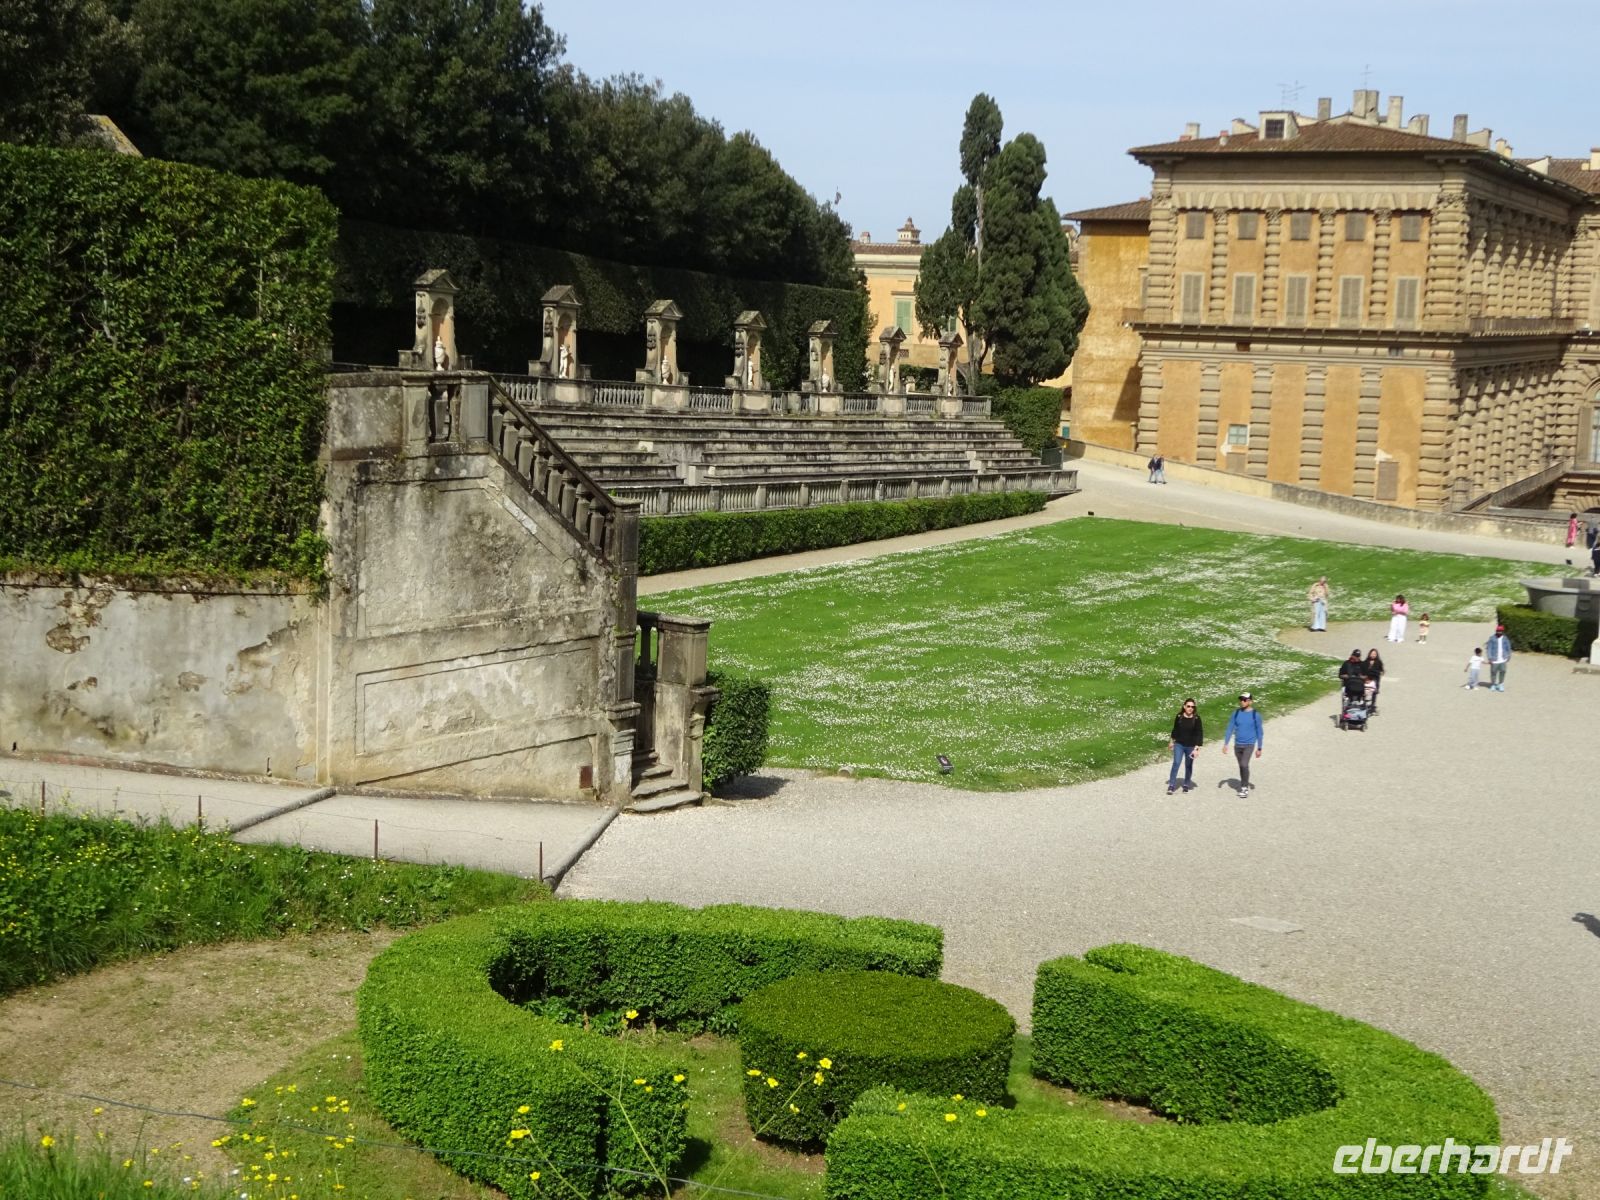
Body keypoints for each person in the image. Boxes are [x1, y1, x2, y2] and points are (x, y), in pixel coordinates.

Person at [1220, 692, 1264, 797]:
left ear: (1250, 701)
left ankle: (1244, 788)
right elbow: (1230, 728)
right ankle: (1244, 783)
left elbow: (1260, 732)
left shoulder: (1255, 715)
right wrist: (1226, 743)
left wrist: (1259, 748)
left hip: (1249, 744)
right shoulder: (1236, 713)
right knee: (1242, 766)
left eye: (1245, 700)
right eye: (1241, 699)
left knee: (1244, 764)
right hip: (1238, 745)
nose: (1242, 701)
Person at [1167, 698, 1203, 795]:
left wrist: (1196, 749)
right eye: (1188, 706)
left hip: (1191, 746)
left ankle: (1186, 784)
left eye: (1192, 707)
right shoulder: (1179, 716)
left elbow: (1199, 734)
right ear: (1184, 706)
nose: (1190, 708)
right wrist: (1171, 741)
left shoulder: (1196, 718)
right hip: (1179, 744)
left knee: (1188, 765)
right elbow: (1175, 730)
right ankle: (1171, 785)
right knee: (1176, 763)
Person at [1486, 624, 1512, 692]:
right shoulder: (1492, 638)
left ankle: (1500, 684)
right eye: (1498, 631)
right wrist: (1489, 658)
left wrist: (1509, 655)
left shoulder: (1505, 638)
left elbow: (1508, 647)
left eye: (1500, 631)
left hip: (1503, 658)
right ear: (1496, 631)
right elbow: (1489, 648)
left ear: (1502, 631)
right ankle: (1493, 684)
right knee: (1493, 672)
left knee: (1503, 671)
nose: (1499, 632)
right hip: (1494, 659)